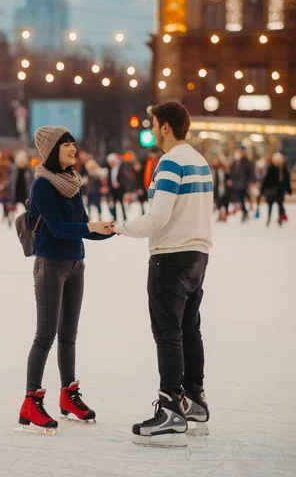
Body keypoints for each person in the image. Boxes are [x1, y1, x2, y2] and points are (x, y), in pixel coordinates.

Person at [112, 102, 213, 447]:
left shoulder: (170, 162)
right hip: (198, 255)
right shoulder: (199, 160)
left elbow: (158, 218)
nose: (151, 129)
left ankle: (171, 407)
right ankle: (195, 402)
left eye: (153, 124)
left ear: (166, 127)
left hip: (171, 256)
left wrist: (119, 227)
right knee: (189, 329)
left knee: (168, 332)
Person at [18, 126, 114, 433]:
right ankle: (31, 401)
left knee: (69, 336)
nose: (73, 148)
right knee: (45, 336)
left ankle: (68, 395)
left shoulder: (73, 181)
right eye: (65, 144)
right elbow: (59, 228)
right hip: (51, 265)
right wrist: (92, 227)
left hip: (76, 264)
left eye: (73, 143)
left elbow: (82, 226)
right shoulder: (43, 186)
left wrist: (111, 230)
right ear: (51, 151)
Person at [261, 152, 292, 226]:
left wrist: (288, 189)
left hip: (280, 190)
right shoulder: (271, 168)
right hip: (271, 190)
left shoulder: (283, 169)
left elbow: (286, 181)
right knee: (270, 204)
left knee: (280, 204)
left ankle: (280, 217)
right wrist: (263, 188)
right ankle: (269, 218)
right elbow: (267, 179)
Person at [229, 147, 255, 222]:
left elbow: (251, 174)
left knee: (243, 198)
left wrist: (250, 183)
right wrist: (231, 180)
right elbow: (232, 172)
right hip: (237, 184)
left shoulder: (247, 163)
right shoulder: (235, 163)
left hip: (244, 184)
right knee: (240, 199)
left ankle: (245, 212)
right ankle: (245, 212)